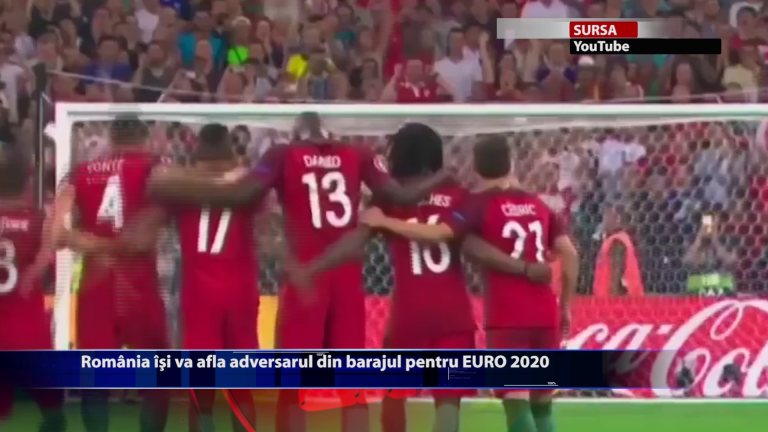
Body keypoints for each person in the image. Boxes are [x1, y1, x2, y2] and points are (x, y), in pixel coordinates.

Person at [147, 112, 451, 432]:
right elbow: (401, 195)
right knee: (351, 389)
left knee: (292, 390)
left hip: (306, 277)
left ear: (297, 133)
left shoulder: (283, 155)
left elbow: (244, 195)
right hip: (346, 279)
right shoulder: (358, 154)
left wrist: (174, 184)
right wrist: (443, 177)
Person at [293, 123, 554, 432]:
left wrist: (315, 266)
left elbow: (354, 242)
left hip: (408, 315)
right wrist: (523, 267)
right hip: (454, 316)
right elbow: (474, 246)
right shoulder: (458, 195)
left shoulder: (388, 200)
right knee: (448, 406)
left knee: (393, 400)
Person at [360, 136, 579, 432]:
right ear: (511, 163)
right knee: (539, 401)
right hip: (533, 310)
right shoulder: (533, 204)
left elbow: (442, 233)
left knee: (514, 400)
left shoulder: (474, 203)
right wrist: (564, 304)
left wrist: (383, 222)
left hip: (499, 316)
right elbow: (569, 253)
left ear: (475, 167)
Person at [125, 124, 260, 432]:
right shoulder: (249, 182)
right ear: (230, 150)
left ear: (197, 150)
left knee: (201, 392)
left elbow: (148, 216)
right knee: (241, 390)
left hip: (199, 295)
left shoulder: (179, 188)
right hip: (241, 292)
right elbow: (267, 233)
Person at [51, 116, 170, 432]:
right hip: (139, 281)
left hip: (97, 283)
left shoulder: (80, 172)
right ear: (144, 139)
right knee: (158, 377)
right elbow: (150, 233)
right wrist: (124, 244)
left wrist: (92, 243)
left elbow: (57, 233)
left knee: (95, 379)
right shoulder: (156, 167)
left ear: (110, 140)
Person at [0, 143, 65, 432]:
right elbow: (47, 256)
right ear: (28, 178)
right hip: (29, 331)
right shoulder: (38, 219)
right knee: (52, 409)